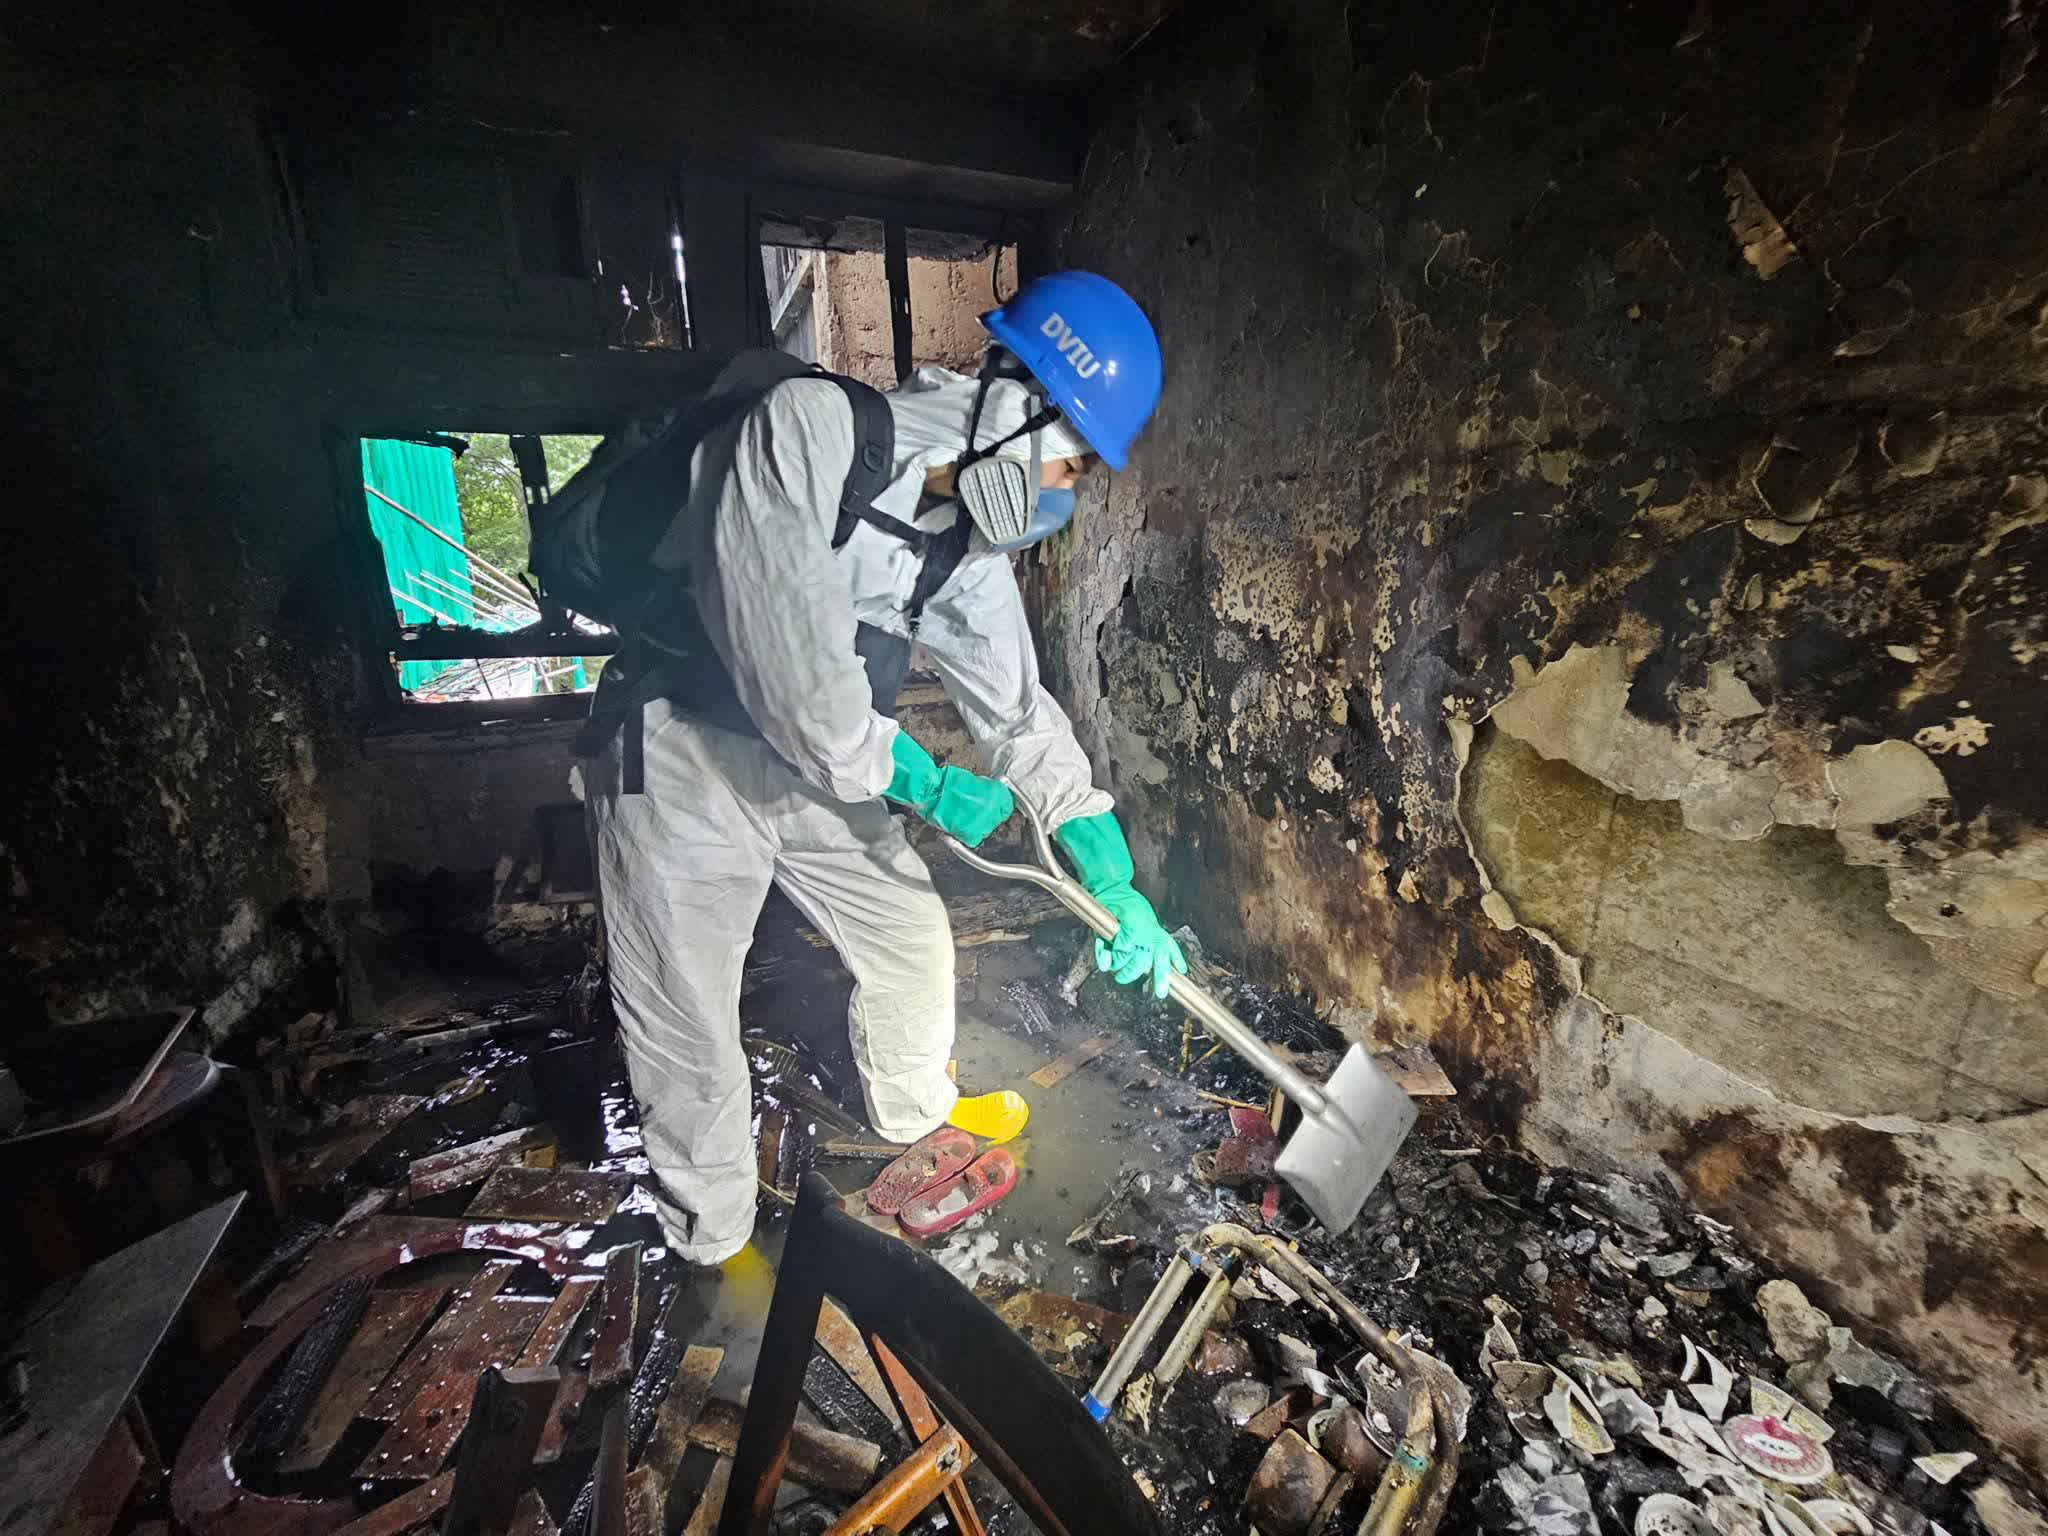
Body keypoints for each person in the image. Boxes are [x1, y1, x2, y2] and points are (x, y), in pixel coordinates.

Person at [582, 270, 1192, 1264]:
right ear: (1014, 407)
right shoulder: (803, 431)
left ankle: (914, 1114)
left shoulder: (960, 546)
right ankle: (713, 1243)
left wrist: (1104, 865)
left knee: (908, 932)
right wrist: (930, 785)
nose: (1066, 493)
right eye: (1073, 462)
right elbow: (798, 685)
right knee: (685, 1013)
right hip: (677, 746)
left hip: (816, 765)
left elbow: (1016, 712)